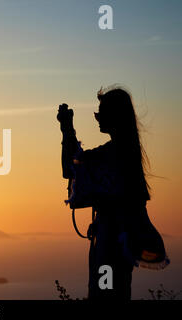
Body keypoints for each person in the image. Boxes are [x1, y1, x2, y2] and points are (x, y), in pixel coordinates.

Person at [57, 86, 168, 300]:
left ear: (115, 116)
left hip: (111, 242)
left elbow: (71, 167)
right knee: (110, 289)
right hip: (115, 239)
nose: (97, 117)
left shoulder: (115, 154)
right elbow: (75, 167)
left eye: (102, 111)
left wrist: (67, 129)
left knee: (104, 291)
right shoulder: (124, 151)